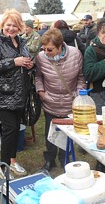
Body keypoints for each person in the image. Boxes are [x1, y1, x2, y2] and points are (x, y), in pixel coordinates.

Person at [0, 8, 34, 179]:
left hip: (20, 93)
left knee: (15, 128)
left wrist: (28, 64)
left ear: (20, 27)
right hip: (4, 94)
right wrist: (13, 62)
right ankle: (3, 166)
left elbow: (25, 61)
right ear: (3, 25)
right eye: (8, 25)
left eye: (15, 25)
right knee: (10, 129)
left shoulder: (21, 43)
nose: (11, 28)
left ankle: (12, 161)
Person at [35, 28, 85, 171]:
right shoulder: (41, 57)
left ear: (60, 46)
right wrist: (41, 92)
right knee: (49, 134)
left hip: (70, 101)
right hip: (51, 101)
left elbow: (81, 76)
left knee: (67, 133)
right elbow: (38, 76)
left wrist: (78, 93)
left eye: (49, 49)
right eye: (43, 49)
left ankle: (65, 158)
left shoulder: (75, 54)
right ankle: (50, 160)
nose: (45, 52)